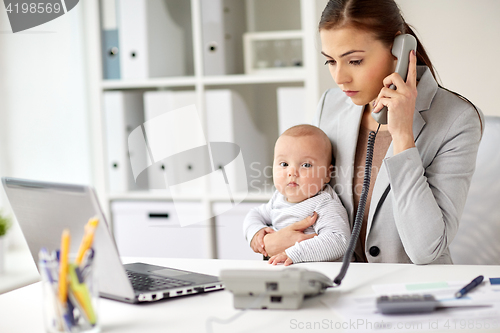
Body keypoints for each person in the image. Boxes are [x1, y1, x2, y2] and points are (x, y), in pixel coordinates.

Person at [258, 0, 483, 265]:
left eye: (355, 61)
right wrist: (266, 240)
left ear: (399, 49)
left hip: (410, 291)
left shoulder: (457, 119)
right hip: (336, 285)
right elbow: (305, 198)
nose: (340, 77)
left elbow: (426, 250)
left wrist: (402, 137)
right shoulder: (330, 105)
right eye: (330, 61)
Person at [243, 124, 350, 266]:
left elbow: (339, 241)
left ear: (327, 174)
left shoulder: (323, 203)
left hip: (321, 274)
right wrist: (255, 233)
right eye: (284, 163)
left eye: (306, 165)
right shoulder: (278, 199)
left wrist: (293, 253)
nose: (292, 172)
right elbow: (254, 214)